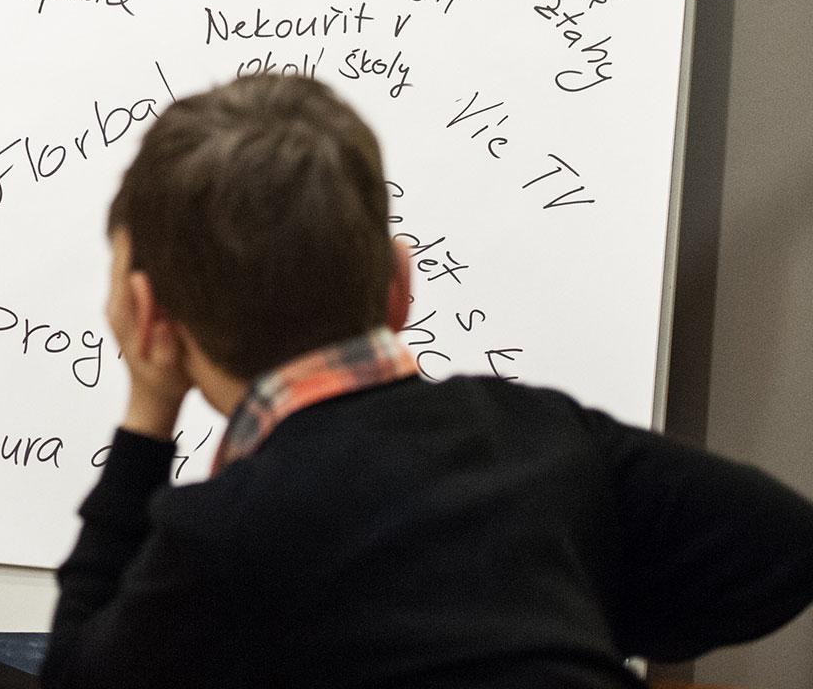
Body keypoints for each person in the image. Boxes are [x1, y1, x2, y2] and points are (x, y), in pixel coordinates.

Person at [46, 72, 813, 689]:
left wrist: (147, 414)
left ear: (147, 318)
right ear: (401, 285)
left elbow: (77, 673)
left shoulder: (222, 539)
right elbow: (782, 546)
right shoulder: (542, 437)